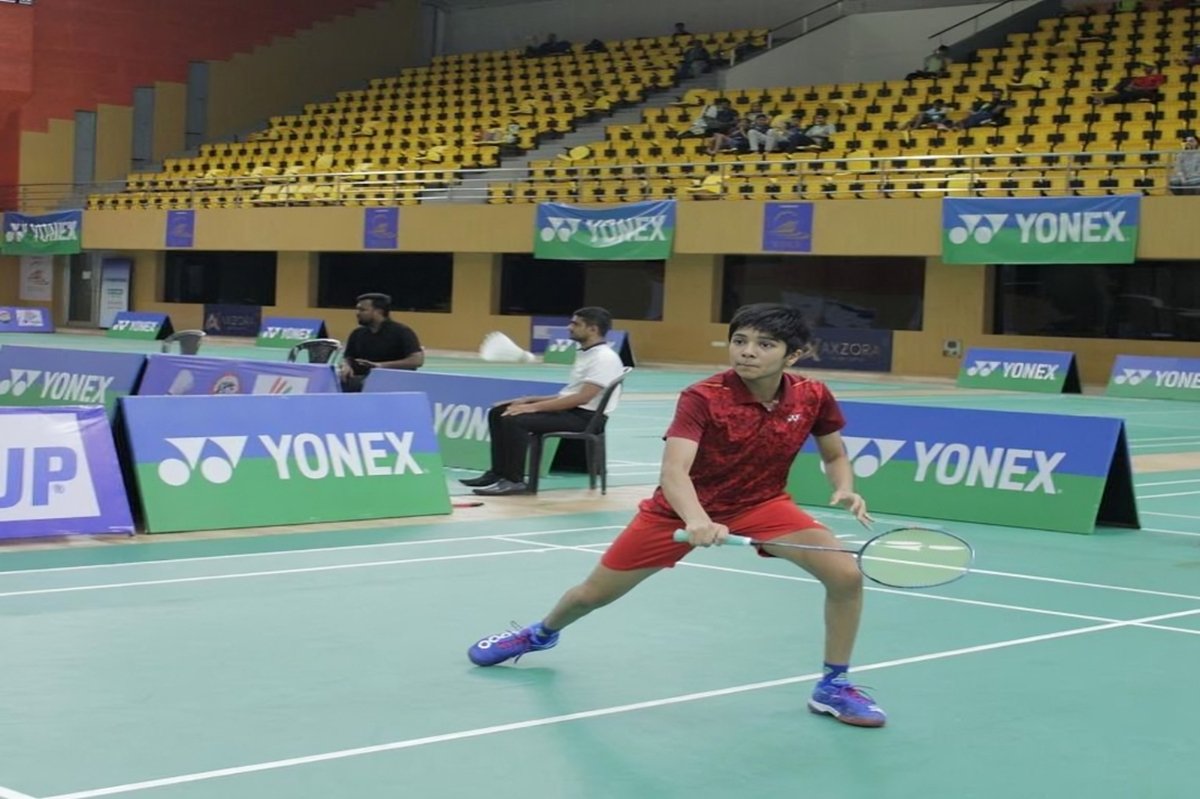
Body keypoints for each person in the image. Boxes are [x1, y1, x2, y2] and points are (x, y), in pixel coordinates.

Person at [466, 303, 887, 728]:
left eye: (765, 344)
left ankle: (833, 685)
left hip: (762, 504)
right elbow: (674, 472)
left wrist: (845, 486)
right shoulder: (704, 397)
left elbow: (834, 453)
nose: (747, 352)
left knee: (845, 576)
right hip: (676, 511)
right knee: (590, 596)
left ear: (792, 355)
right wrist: (696, 518)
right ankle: (539, 634)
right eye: (740, 341)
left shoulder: (812, 395)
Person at [461, 306, 626, 496]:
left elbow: (583, 397)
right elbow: (569, 394)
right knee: (498, 413)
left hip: (587, 418)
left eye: (575, 324)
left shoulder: (604, 358)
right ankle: (498, 473)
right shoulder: (586, 353)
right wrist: (530, 400)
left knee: (514, 420)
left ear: (593, 329)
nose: (569, 327)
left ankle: (514, 481)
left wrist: (533, 408)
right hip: (575, 411)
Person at [338, 292, 424, 392]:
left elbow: (416, 360)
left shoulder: (402, 332)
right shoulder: (357, 333)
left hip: (391, 381)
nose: (357, 313)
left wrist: (381, 365)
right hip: (359, 378)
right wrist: (346, 366)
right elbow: (348, 357)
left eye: (362, 310)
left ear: (378, 311)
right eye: (357, 309)